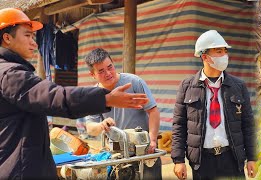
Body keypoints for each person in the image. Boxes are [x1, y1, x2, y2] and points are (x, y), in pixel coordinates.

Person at [0, 8, 149, 179]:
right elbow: (54, 97)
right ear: (7, 38)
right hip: (19, 170)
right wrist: (106, 98)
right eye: (27, 36)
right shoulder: (10, 75)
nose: (34, 43)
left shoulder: (8, 71)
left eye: (34, 37)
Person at [171, 30, 257, 179]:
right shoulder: (187, 87)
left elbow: (248, 125)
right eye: (219, 51)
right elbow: (179, 125)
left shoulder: (238, 86)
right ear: (205, 57)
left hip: (232, 158)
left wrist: (252, 158)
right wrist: (178, 160)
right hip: (202, 162)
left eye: (225, 51)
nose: (225, 55)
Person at [84, 48, 162, 180]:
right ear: (92, 75)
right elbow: (90, 128)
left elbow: (153, 111)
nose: (108, 73)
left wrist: (152, 139)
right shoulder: (93, 95)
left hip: (144, 148)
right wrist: (101, 125)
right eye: (101, 71)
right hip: (116, 154)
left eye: (110, 67)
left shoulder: (134, 82)